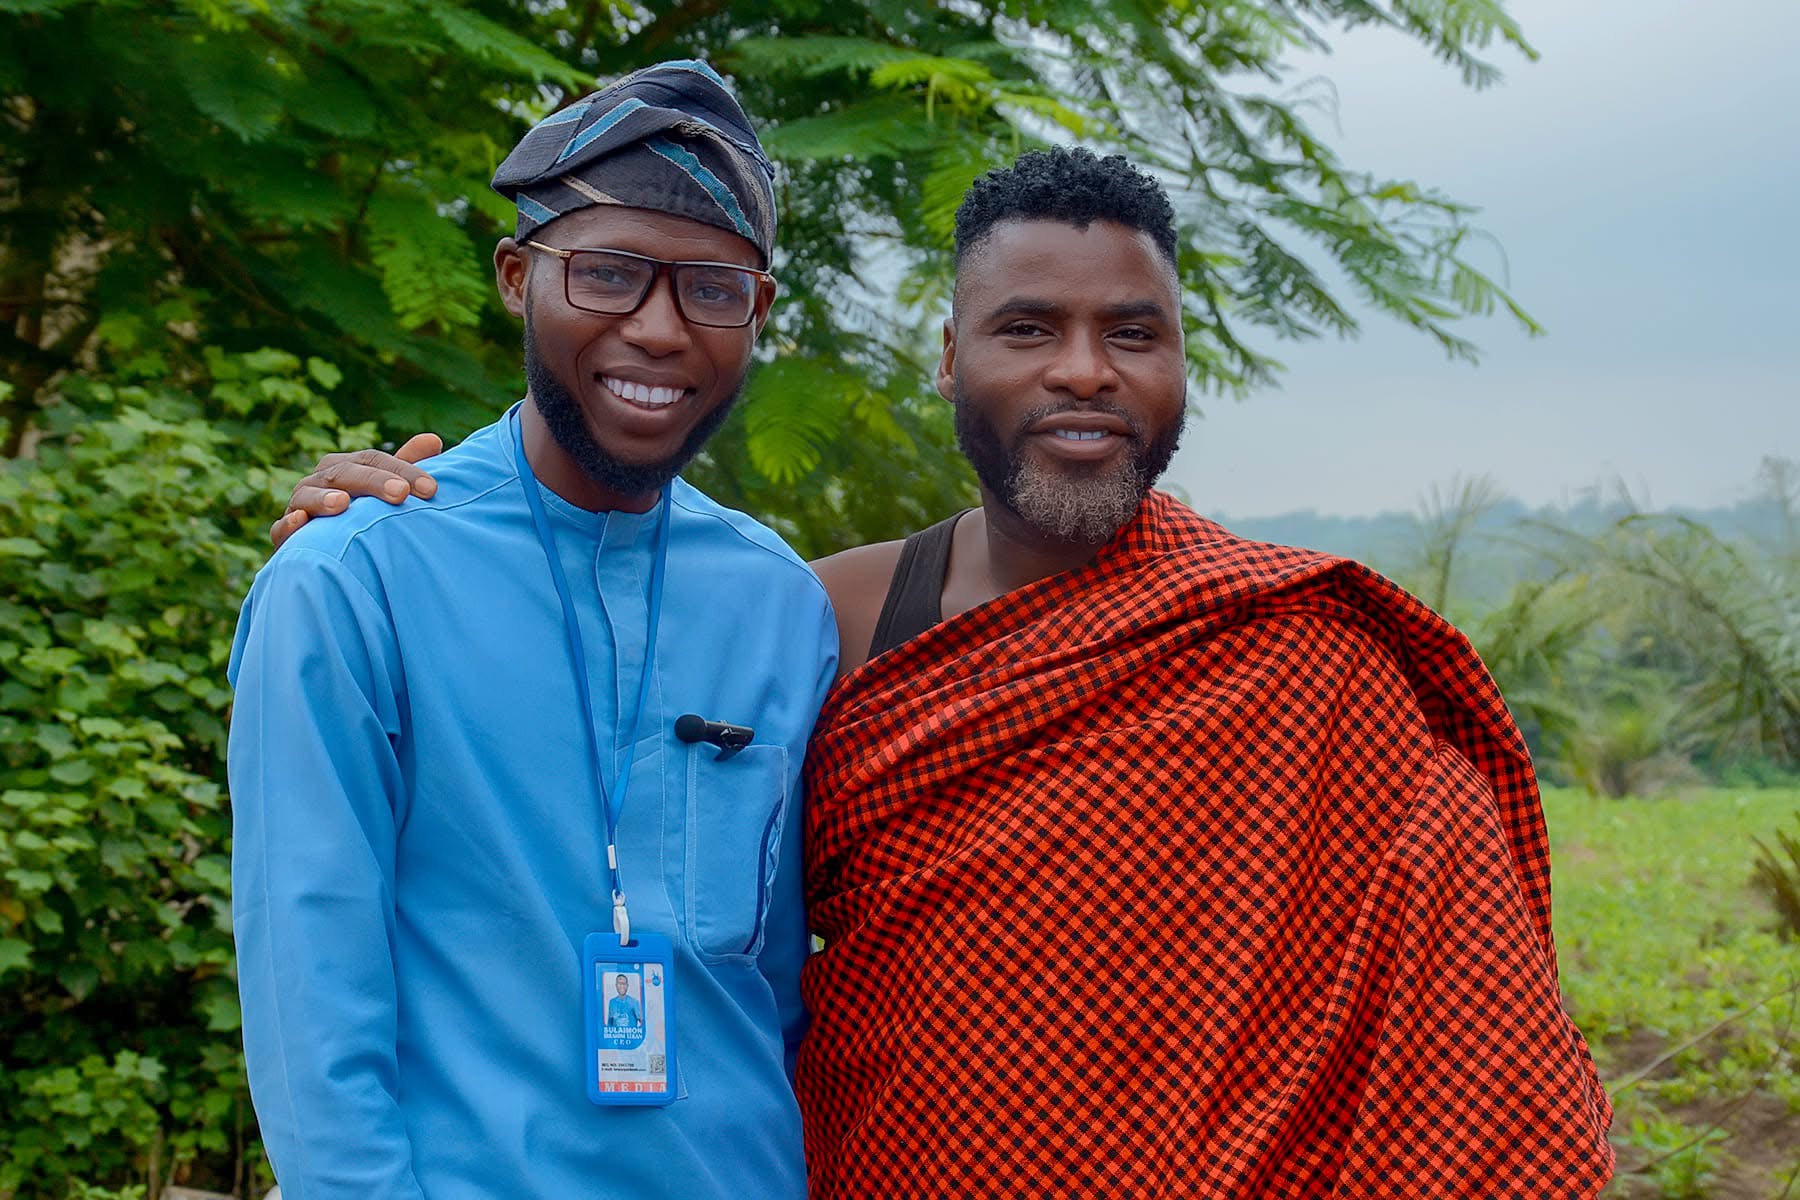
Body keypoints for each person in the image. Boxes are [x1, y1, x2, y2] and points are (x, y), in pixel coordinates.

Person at [275, 148, 1614, 1196]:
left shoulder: (1317, 659)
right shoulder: (826, 617)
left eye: (1133, 333)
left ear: (1181, 366)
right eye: (1027, 328)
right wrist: (404, 525)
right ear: (951, 360)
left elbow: (1467, 1041)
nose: (1083, 372)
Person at [227, 60, 833, 1200]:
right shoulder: (355, 582)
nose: (660, 330)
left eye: (713, 290)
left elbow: (787, 992)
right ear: (517, 278)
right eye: (607, 274)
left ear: (755, 313)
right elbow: (312, 1012)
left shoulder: (779, 606)